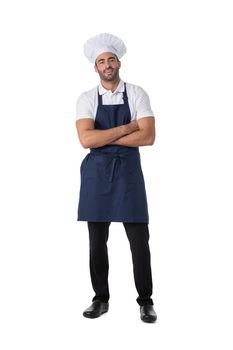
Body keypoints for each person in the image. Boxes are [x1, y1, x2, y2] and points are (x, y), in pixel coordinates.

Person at [75, 33, 157, 323]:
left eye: (111, 59)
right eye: (101, 61)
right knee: (97, 242)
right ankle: (101, 299)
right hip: (96, 178)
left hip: (128, 176)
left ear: (118, 62)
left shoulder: (136, 93)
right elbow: (86, 140)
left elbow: (147, 136)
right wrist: (126, 128)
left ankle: (146, 301)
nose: (107, 65)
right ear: (95, 68)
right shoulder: (86, 99)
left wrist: (103, 138)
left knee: (139, 240)